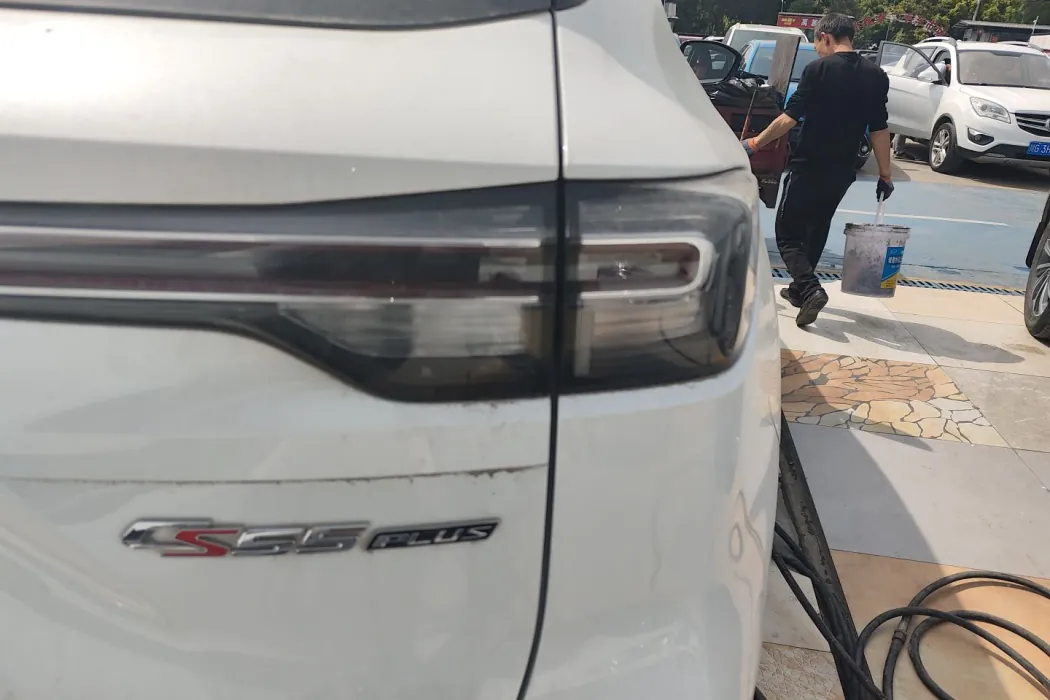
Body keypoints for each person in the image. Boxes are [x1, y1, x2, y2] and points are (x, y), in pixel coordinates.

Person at [741, 13, 894, 327]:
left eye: (817, 43)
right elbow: (880, 130)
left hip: (809, 165)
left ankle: (811, 289)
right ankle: (799, 292)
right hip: (843, 170)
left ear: (825, 37)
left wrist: (755, 143)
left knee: (786, 233)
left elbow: (789, 118)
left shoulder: (818, 70)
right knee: (817, 226)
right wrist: (885, 174)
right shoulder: (876, 75)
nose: (817, 49)